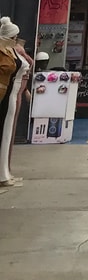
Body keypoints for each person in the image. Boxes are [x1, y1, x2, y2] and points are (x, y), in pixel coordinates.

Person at [0, 16, 28, 189]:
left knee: (7, 133)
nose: (16, 40)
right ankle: (2, 174)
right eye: (13, 37)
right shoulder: (5, 51)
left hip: (13, 92)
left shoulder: (11, 51)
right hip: (7, 93)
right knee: (4, 132)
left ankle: (5, 171)